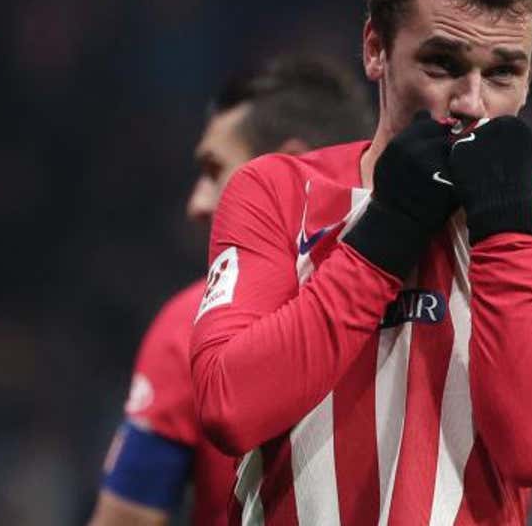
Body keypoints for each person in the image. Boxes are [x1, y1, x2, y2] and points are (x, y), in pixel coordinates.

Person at [189, 0, 532, 525]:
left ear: (530, 80)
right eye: (443, 63)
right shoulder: (277, 191)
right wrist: (386, 232)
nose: (471, 102)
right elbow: (230, 405)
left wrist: (504, 226)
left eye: (503, 73)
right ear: (375, 49)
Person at [89, 56, 376, 526]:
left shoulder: (189, 326)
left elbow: (126, 519)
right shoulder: (440, 300)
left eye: (214, 169)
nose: (197, 203)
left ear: (285, 168)